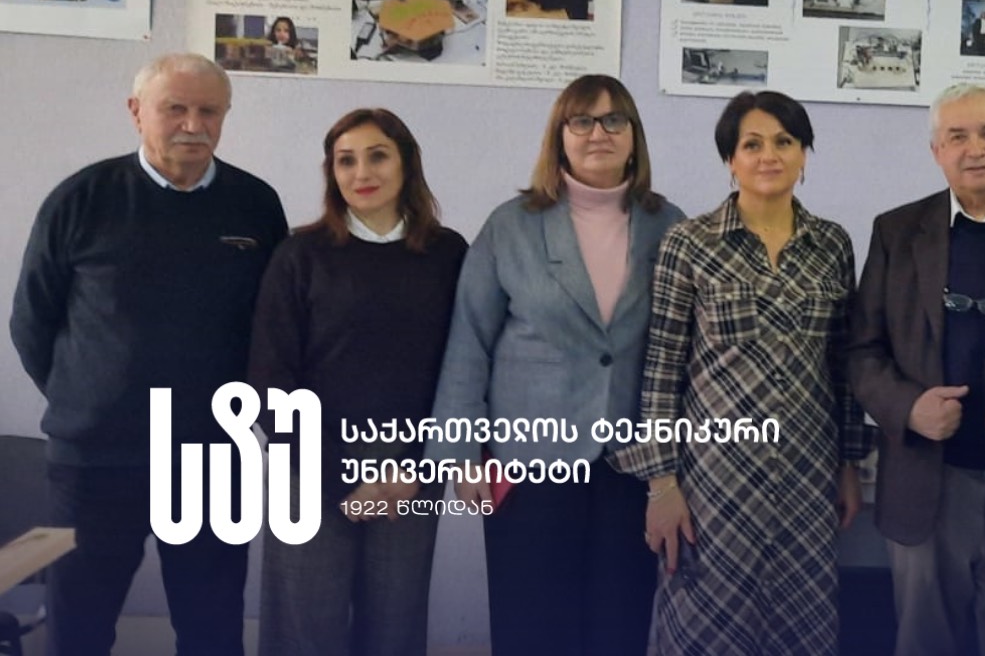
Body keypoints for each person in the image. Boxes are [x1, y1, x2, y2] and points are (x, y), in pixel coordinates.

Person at [10, 53, 288, 656]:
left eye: (208, 110)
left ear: (225, 116)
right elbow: (32, 320)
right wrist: (89, 400)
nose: (193, 124)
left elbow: (275, 327)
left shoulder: (256, 206)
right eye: (175, 108)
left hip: (213, 459)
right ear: (137, 113)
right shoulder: (81, 199)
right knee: (78, 625)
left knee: (212, 625)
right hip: (94, 463)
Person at [427, 74, 685, 654]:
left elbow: (682, 351)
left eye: (615, 119)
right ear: (560, 135)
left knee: (617, 625)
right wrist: (464, 454)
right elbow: (469, 341)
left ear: (634, 136)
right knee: (532, 626)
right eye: (583, 120)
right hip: (528, 464)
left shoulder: (669, 226)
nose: (600, 132)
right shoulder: (511, 225)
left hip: (631, 465)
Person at [618, 91, 871, 655]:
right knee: (706, 626)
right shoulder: (691, 243)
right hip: (713, 481)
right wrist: (662, 484)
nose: (769, 155)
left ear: (804, 154)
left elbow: (843, 365)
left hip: (807, 479)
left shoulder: (832, 245)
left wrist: (850, 464)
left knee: (799, 629)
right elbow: (662, 371)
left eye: (784, 141)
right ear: (730, 159)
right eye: (751, 144)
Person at [249, 109, 467, 656]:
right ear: (331, 172)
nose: (361, 172)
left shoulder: (447, 254)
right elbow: (270, 381)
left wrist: (419, 469)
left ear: (406, 164)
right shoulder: (300, 255)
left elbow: (462, 368)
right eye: (345, 160)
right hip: (310, 473)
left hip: (408, 473)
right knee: (305, 634)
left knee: (394, 633)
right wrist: (341, 484)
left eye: (377, 155)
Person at [848, 84, 985, 656]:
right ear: (937, 151)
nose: (975, 148)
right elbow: (862, 351)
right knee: (926, 640)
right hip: (929, 478)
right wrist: (908, 407)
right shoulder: (897, 231)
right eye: (957, 136)